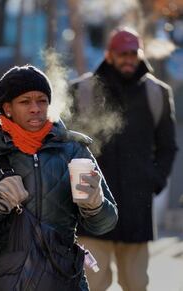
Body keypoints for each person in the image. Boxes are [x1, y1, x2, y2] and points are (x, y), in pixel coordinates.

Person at [0, 65, 118, 291]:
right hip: (4, 284)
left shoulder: (75, 151)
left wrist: (95, 206)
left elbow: (107, 224)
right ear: (7, 108)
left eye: (42, 100)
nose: (35, 108)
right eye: (25, 102)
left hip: (64, 282)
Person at [70, 27, 178, 291]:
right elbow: (67, 144)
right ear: (109, 55)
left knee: (136, 284)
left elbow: (168, 147)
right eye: (122, 54)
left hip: (136, 211)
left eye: (133, 53)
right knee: (90, 285)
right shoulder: (82, 90)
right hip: (91, 212)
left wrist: (154, 181)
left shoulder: (157, 93)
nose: (129, 59)